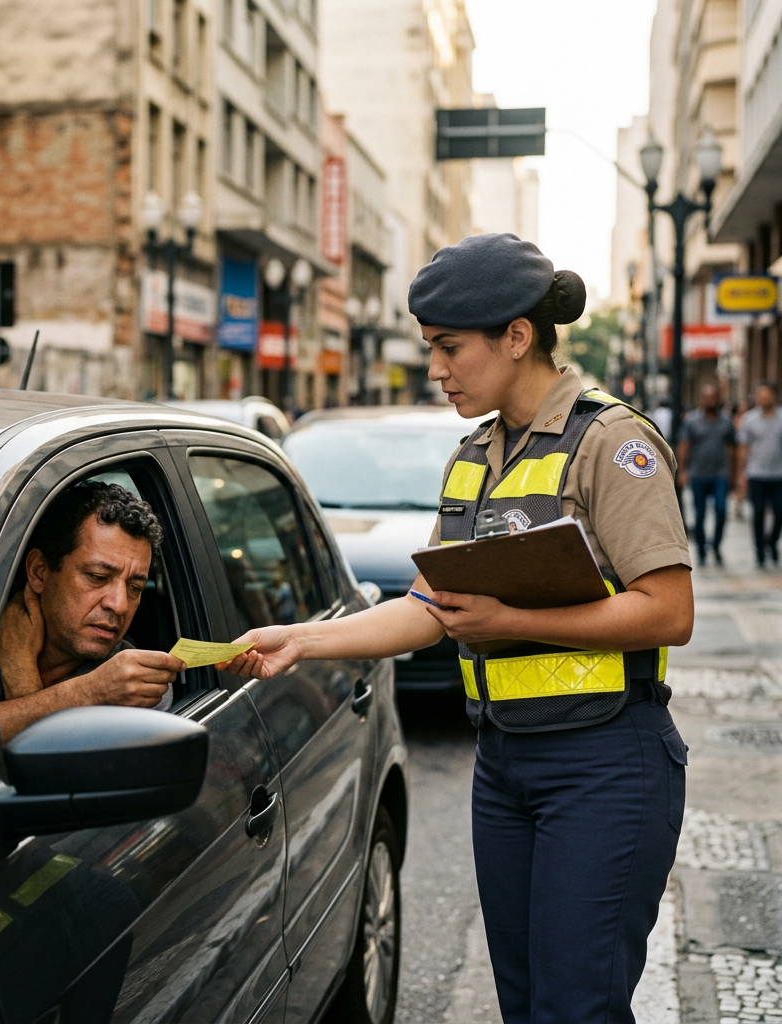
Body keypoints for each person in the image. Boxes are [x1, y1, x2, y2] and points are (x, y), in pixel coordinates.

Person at [219, 233, 694, 1024]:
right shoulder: (474, 455)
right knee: (526, 1005)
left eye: (449, 348)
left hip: (605, 763)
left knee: (577, 1008)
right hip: (503, 764)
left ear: (516, 336)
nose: (435, 369)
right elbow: (428, 607)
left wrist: (510, 618)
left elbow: (668, 611)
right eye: (430, 347)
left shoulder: (611, 443)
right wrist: (300, 638)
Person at [0, 481, 186, 744]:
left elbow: (51, 777)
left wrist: (21, 673)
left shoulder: (135, 683)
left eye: (135, 587)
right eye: (97, 576)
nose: (119, 605)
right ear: (39, 571)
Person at [677, 383, 736, 565]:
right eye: (707, 397)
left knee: (721, 511)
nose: (710, 400)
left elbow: (732, 448)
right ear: (702, 399)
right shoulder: (692, 421)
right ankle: (702, 549)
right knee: (700, 514)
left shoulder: (726, 421)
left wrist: (734, 473)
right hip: (698, 474)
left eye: (713, 397)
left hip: (720, 474)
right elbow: (684, 446)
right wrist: (683, 471)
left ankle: (716, 545)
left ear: (718, 398)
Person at [737, 381, 782, 566]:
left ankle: (771, 542)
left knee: (780, 512)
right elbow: (743, 447)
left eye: (767, 396)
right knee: (759, 512)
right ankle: (759, 550)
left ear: (774, 396)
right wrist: (741, 474)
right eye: (760, 396)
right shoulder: (749, 419)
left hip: (779, 474)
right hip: (755, 473)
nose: (763, 399)